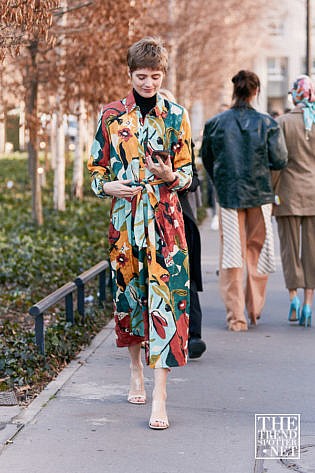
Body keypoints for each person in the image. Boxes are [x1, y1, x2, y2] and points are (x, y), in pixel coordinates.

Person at [88, 37, 192, 429]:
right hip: (125, 225)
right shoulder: (111, 116)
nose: (149, 83)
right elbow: (96, 168)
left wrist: (172, 176)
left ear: (163, 75)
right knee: (130, 300)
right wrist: (108, 186)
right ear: (130, 74)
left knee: (168, 305)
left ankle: (161, 396)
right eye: (142, 76)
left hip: (166, 224)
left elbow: (189, 172)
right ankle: (135, 370)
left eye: (156, 76)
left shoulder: (176, 115)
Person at [201, 70, 288, 331]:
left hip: (228, 195)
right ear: (256, 92)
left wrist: (220, 179)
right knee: (256, 253)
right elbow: (280, 159)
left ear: (234, 91)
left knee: (231, 257)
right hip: (260, 195)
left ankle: (236, 317)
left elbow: (207, 158)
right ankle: (254, 309)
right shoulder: (268, 124)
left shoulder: (215, 123)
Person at [159, 88, 206, 359]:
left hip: (179, 216)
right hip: (149, 215)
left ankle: (193, 334)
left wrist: (175, 178)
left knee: (183, 276)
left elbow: (195, 180)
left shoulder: (182, 140)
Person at [273, 75, 315, 327]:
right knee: (311, 250)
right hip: (313, 194)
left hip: (287, 193)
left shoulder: (283, 123)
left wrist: (273, 191)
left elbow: (277, 162)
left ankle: (293, 300)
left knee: (290, 249)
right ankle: (309, 303)